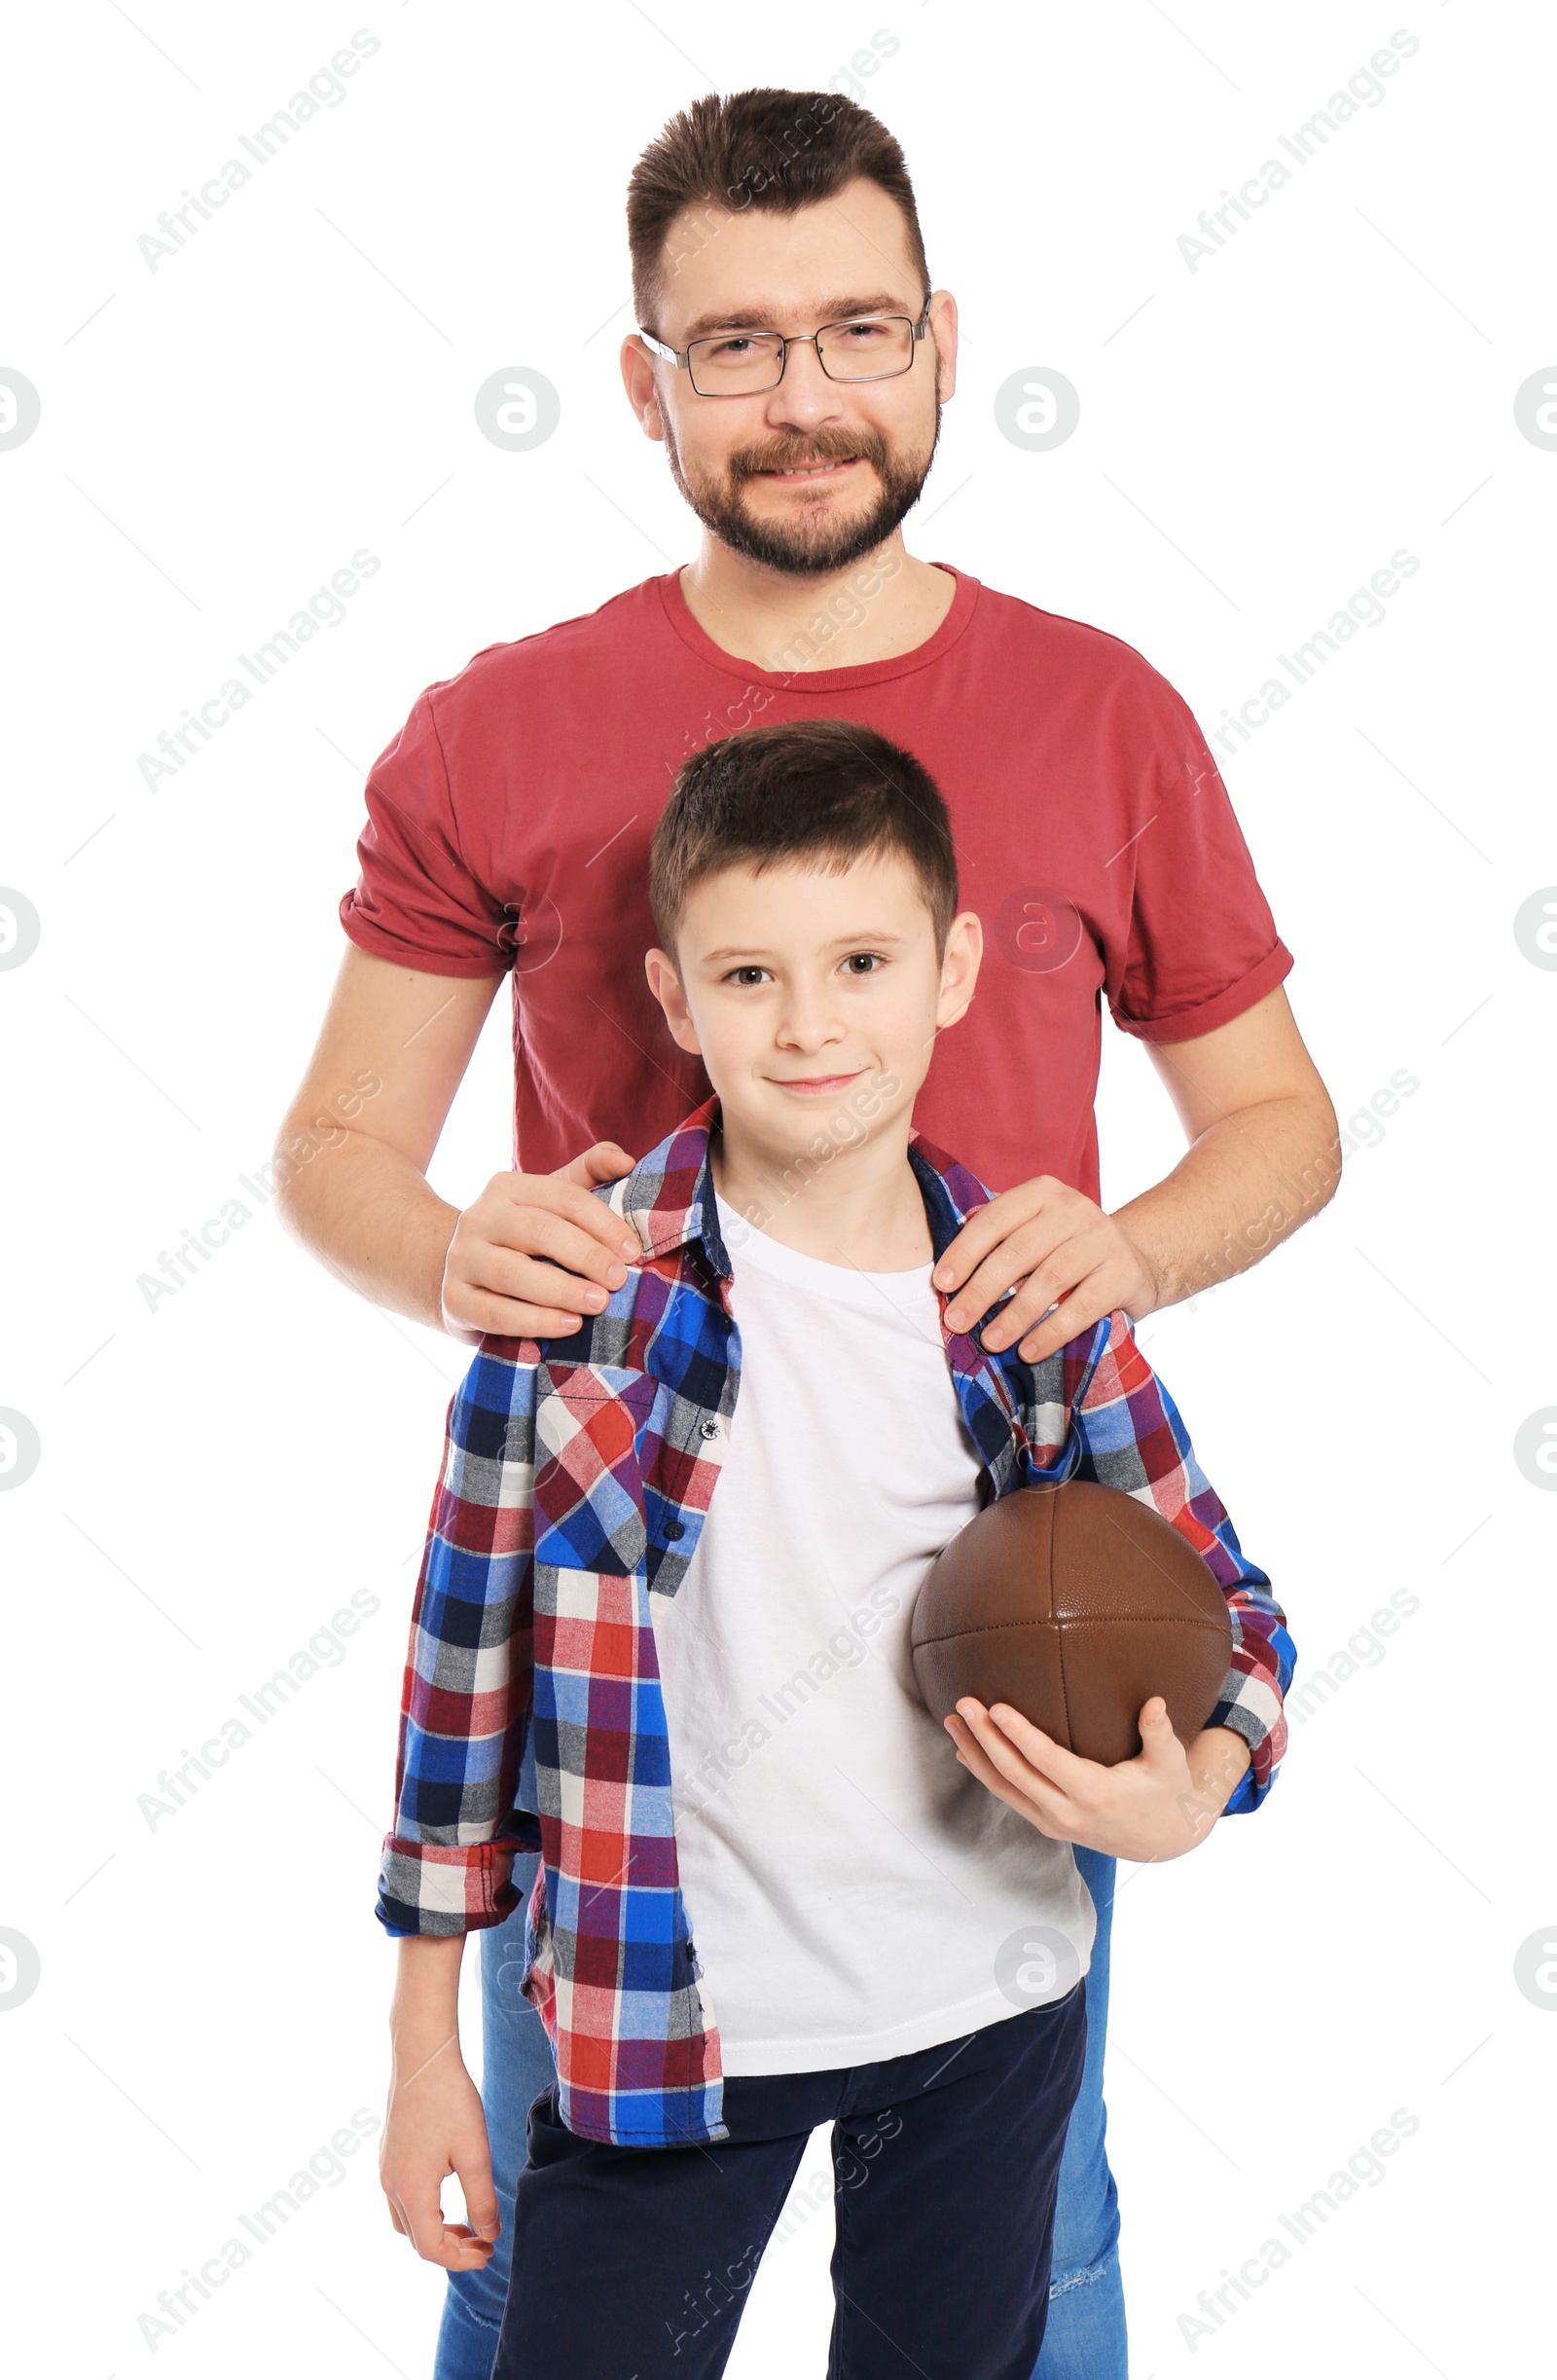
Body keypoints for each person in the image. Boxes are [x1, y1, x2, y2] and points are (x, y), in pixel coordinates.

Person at [274, 85, 1336, 2380]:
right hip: (636, 1710)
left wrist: (1122, 1253)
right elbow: (344, 1148)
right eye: (733, 346)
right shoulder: (501, 729)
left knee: (1019, 2282)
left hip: (1001, 1647)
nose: (801, 396)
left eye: (854, 329)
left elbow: (1273, 1123)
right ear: (647, 381)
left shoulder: (1102, 711)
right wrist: (457, 1250)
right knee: (560, 2292)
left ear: (943, 344)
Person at [374, 718, 1294, 2380]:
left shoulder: (1036, 1306)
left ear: (949, 971)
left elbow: (1239, 1614)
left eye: (860, 961)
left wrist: (1199, 1784)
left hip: (990, 2008)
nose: (809, 1026)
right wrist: (425, 2046)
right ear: (674, 999)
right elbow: (461, 1691)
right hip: (666, 2023)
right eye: (749, 977)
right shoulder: (576, 1297)